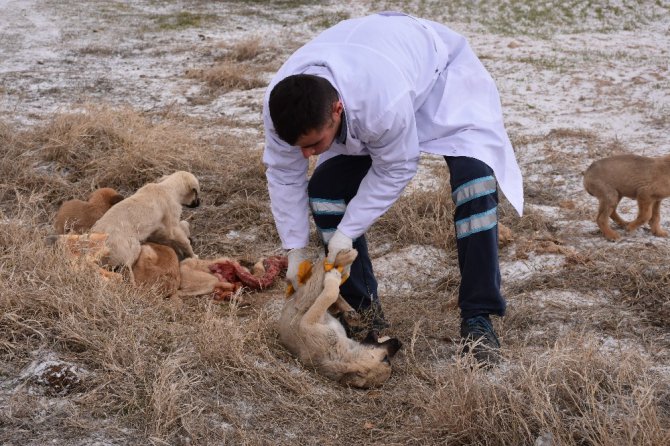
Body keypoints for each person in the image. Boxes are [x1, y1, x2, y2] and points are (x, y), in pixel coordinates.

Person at [262, 12, 523, 363]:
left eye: (314, 143)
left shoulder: (378, 103)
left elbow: (396, 167)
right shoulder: (279, 107)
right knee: (324, 190)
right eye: (300, 147)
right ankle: (364, 313)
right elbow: (284, 175)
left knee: (474, 182)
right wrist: (295, 250)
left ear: (337, 110)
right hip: (380, 65)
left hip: (442, 79)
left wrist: (348, 230)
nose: (307, 155)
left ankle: (478, 318)